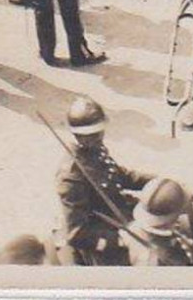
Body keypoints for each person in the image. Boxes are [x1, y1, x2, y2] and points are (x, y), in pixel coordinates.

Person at [55, 96, 154, 266]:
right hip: (103, 233)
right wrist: (121, 240)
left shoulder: (95, 148)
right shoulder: (71, 176)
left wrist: (155, 181)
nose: (99, 137)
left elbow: (119, 175)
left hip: (122, 213)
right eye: (91, 135)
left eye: (99, 132)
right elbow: (76, 233)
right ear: (79, 136)